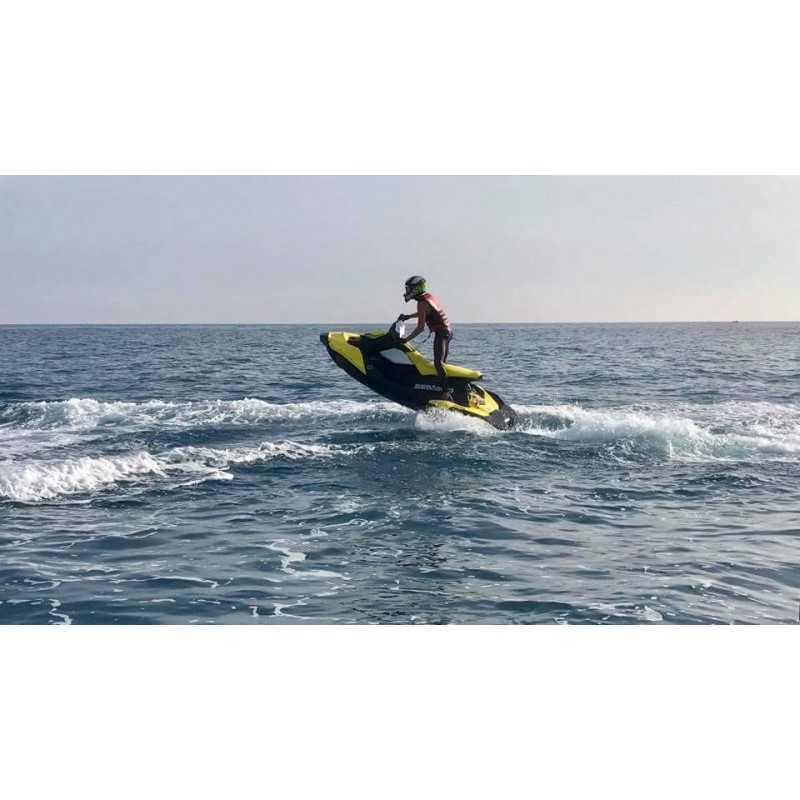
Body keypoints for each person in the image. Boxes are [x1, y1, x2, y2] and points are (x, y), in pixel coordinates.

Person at [397, 275, 453, 398]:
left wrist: (405, 340)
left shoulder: (421, 303)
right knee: (442, 363)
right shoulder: (428, 297)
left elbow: (420, 328)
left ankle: (446, 392)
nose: (407, 291)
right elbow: (424, 313)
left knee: (438, 363)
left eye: (408, 289)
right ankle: (444, 386)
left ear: (416, 288)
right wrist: (408, 317)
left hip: (442, 332)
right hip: (447, 331)